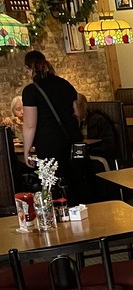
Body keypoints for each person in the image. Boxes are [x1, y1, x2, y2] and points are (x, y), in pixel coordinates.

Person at [21, 50, 86, 200]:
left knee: (54, 186)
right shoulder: (65, 84)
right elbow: (77, 113)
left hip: (49, 145)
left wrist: (26, 151)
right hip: (75, 142)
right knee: (78, 180)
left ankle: (63, 217)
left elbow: (30, 125)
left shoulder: (31, 91)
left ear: (28, 69)